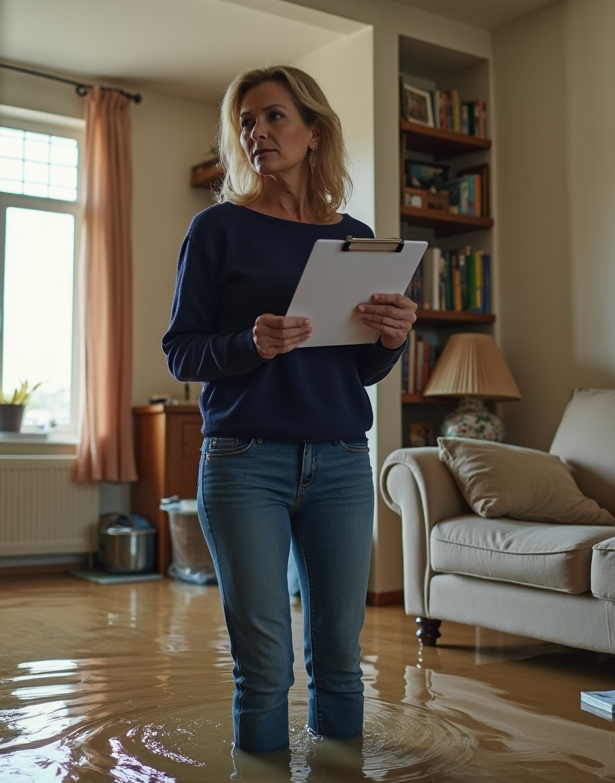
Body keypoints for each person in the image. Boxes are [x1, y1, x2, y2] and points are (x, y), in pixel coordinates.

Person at [161, 64, 417, 755]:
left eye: (273, 116)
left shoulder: (357, 236)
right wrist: (250, 343)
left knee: (340, 658)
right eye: (246, 121)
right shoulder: (216, 230)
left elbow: (357, 369)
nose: (256, 133)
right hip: (244, 463)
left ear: (313, 130)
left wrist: (391, 340)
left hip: (339, 462)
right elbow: (181, 352)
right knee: (265, 665)